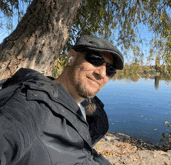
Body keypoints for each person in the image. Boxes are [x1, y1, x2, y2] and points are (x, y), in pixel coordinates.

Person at [0, 35, 124, 165]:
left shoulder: (85, 108)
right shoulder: (31, 102)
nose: (102, 73)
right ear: (71, 57)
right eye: (95, 60)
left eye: (110, 70)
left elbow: (84, 153)